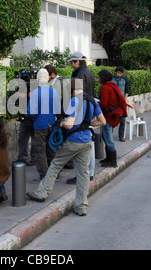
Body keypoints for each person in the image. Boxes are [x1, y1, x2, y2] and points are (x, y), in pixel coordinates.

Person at [26, 78, 106, 217]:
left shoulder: (74, 101)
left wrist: (62, 124)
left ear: (73, 90)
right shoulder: (92, 100)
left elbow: (69, 125)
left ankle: (42, 193)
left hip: (73, 141)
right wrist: (86, 124)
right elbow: (102, 121)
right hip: (87, 140)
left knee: (55, 165)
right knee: (83, 174)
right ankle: (81, 207)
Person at [66, 51, 96, 182]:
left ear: (77, 62)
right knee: (89, 142)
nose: (71, 65)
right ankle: (89, 172)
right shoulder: (88, 72)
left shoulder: (80, 74)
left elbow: (78, 94)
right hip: (90, 108)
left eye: (72, 63)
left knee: (82, 144)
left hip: (82, 111)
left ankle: (84, 174)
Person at [27, 68, 61, 182]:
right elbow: (58, 109)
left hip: (39, 125)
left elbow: (31, 112)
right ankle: (55, 174)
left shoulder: (35, 93)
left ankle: (44, 176)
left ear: (37, 79)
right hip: (52, 124)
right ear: (47, 79)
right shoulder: (54, 92)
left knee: (40, 152)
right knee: (52, 149)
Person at [98, 70, 127, 168]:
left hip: (108, 116)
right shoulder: (113, 85)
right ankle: (108, 158)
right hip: (113, 115)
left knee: (108, 138)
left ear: (103, 78)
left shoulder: (105, 87)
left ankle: (113, 161)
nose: (98, 79)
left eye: (99, 77)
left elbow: (103, 104)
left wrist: (95, 103)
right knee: (106, 137)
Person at [112, 66, 130, 142]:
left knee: (122, 120)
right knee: (112, 119)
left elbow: (127, 91)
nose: (118, 74)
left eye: (120, 73)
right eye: (117, 73)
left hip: (122, 103)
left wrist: (124, 100)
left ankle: (121, 136)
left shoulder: (125, 80)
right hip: (113, 102)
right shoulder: (112, 79)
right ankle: (110, 136)